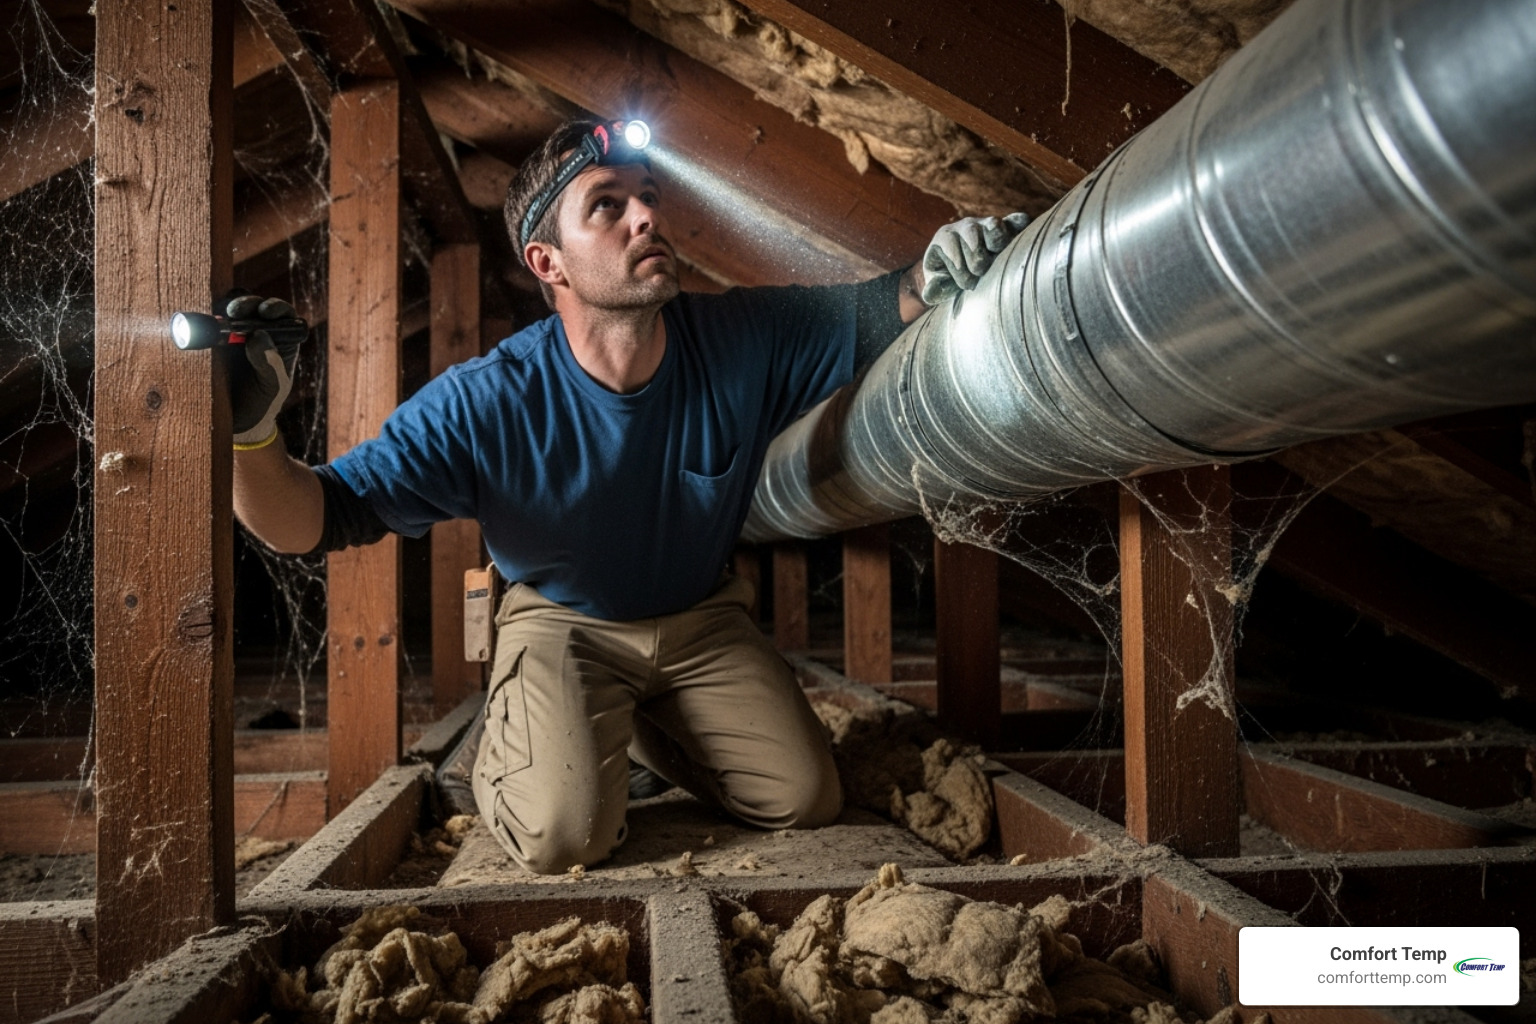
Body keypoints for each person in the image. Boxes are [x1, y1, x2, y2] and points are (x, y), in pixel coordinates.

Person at [229, 115, 1028, 874]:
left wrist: (941, 265)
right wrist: (252, 433)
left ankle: (626, 726)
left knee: (804, 800)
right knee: (563, 837)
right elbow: (310, 521)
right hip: (565, 623)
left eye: (647, 196)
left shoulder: (741, 337)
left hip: (700, 619)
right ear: (550, 263)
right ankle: (510, 748)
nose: (644, 216)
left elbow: (883, 303)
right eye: (606, 206)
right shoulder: (484, 403)